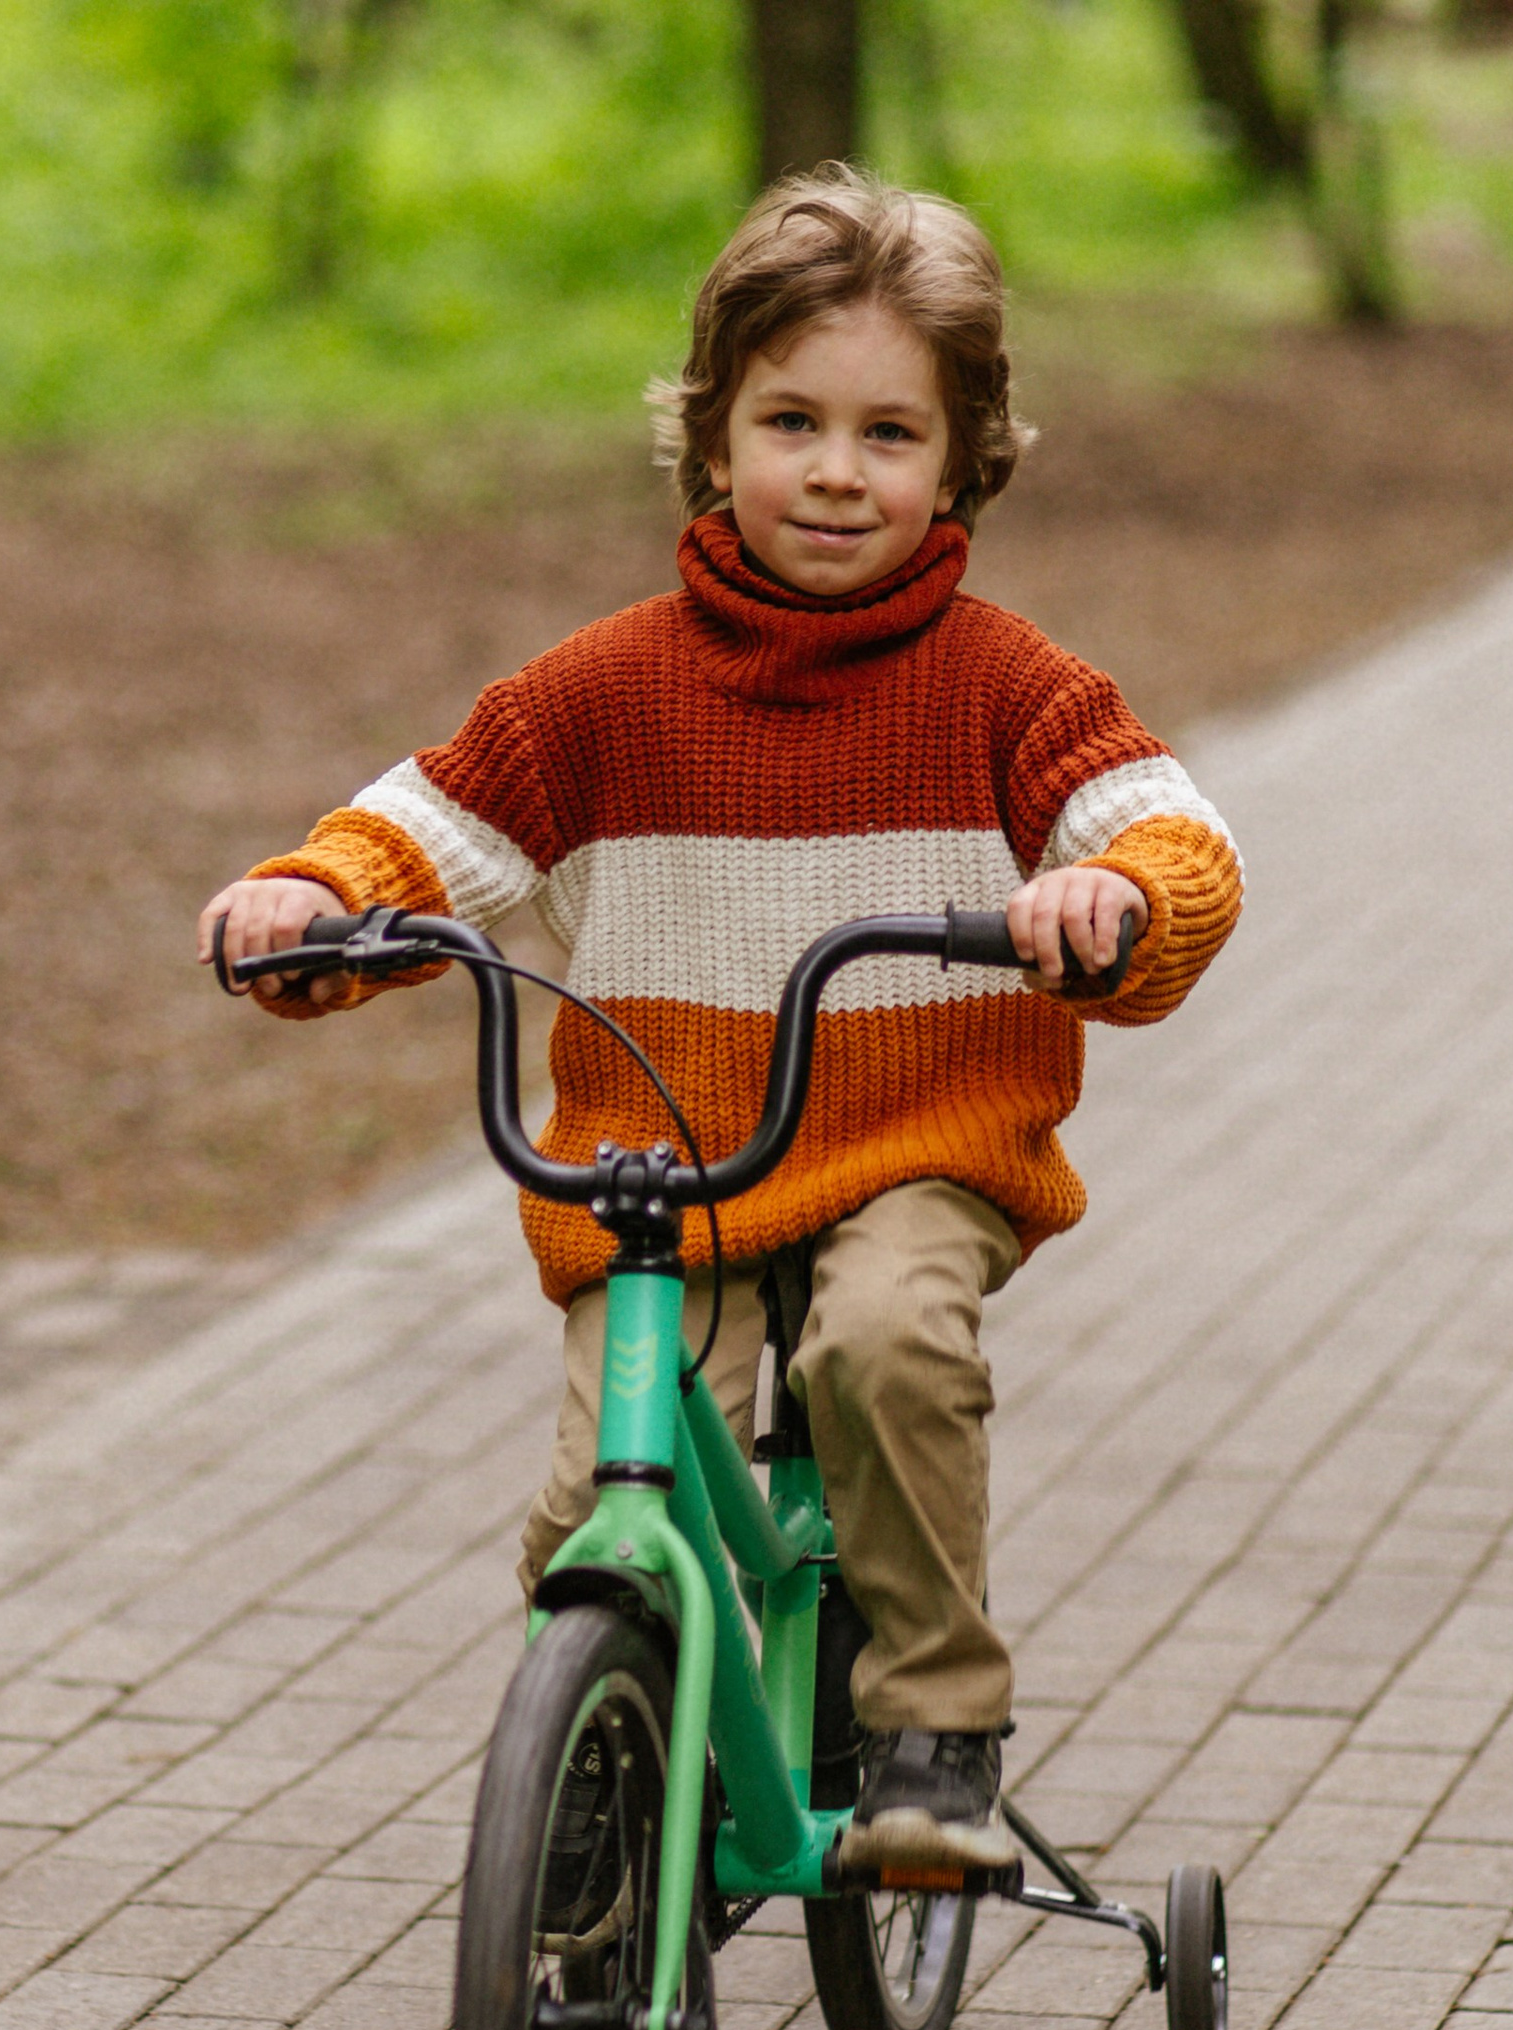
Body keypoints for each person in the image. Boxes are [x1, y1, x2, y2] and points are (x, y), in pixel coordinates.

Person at [195, 167, 1241, 1873]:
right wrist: (315, 897)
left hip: (917, 1146)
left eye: (891, 433)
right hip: (665, 1162)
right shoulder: (599, 693)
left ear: (963, 461)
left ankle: (931, 1734)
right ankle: (605, 1752)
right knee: (600, 1489)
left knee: (888, 1344)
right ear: (710, 439)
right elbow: (429, 835)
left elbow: (1172, 834)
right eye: (792, 421)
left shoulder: (1009, 686)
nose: (837, 471)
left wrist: (1111, 900)